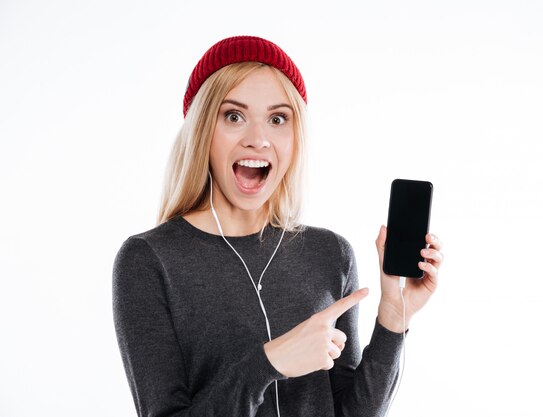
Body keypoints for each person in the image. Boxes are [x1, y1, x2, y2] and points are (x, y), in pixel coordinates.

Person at [112, 35, 444, 417]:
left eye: (277, 119)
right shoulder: (148, 260)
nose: (258, 140)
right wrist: (269, 363)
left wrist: (393, 317)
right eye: (233, 116)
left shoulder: (330, 254)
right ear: (202, 131)